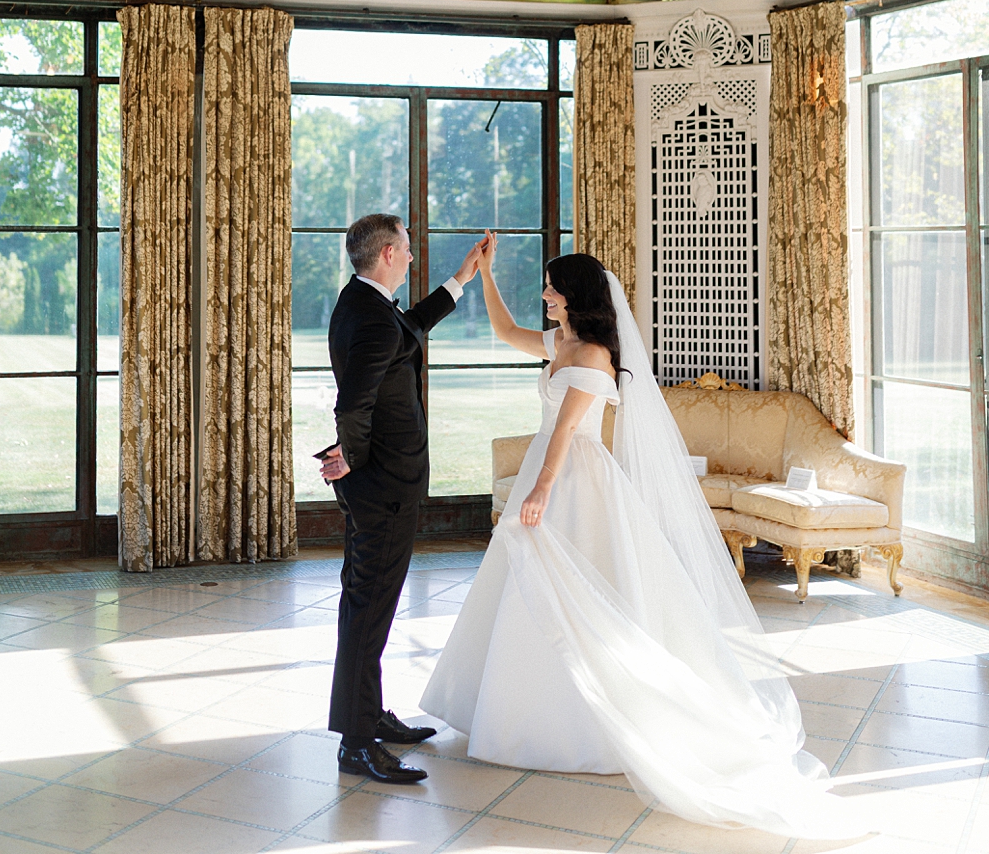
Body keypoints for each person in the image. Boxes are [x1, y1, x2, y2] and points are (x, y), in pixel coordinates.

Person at [420, 239, 868, 839]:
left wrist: (539, 490)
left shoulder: (595, 355)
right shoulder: (562, 342)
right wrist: (484, 275)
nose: (546, 294)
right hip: (550, 473)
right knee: (526, 592)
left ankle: (583, 719)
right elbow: (504, 332)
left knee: (587, 588)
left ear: (575, 294)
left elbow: (569, 431)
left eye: (553, 286)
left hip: (572, 480)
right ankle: (517, 705)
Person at [318, 214, 483, 785]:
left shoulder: (363, 304)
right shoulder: (370, 318)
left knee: (371, 609)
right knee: (367, 614)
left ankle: (370, 715)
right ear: (388, 253)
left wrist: (459, 281)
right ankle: (357, 744)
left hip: (380, 483)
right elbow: (354, 404)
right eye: (408, 250)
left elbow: (407, 331)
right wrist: (350, 457)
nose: (413, 258)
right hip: (384, 488)